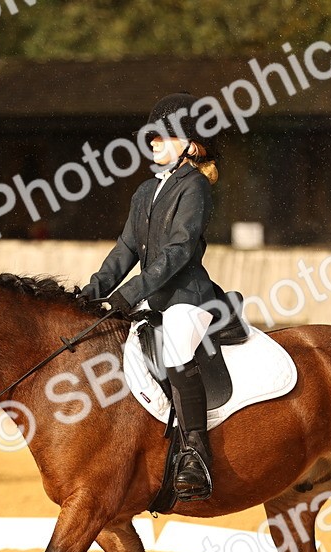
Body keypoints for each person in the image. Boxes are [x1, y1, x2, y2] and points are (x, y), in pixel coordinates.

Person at [78, 92, 229, 501]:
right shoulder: (146, 191)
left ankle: (196, 452)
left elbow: (178, 251)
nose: (154, 142)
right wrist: (90, 293)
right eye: (153, 136)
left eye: (165, 136)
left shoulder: (194, 187)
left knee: (177, 350)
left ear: (191, 145)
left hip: (188, 298)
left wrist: (131, 291)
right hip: (151, 299)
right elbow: (126, 249)